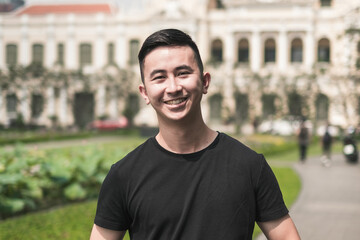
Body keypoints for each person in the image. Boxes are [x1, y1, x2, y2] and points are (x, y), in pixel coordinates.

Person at [90, 29, 300, 240]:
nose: (173, 87)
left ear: (205, 82)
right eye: (159, 77)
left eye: (182, 73)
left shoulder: (250, 166)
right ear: (145, 93)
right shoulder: (124, 175)